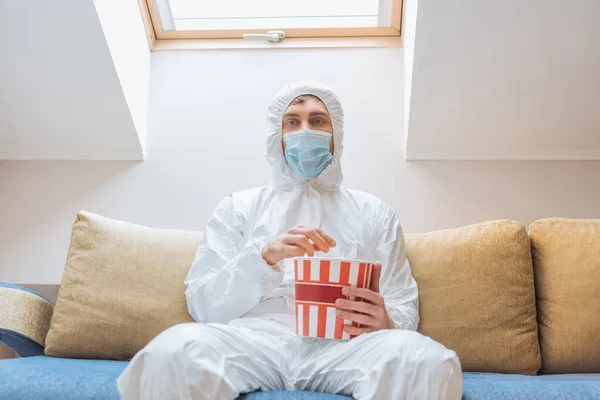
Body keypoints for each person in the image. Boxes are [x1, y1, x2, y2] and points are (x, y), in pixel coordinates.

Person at [118, 81, 462, 400]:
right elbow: (204, 305)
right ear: (277, 137)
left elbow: (403, 301)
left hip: (346, 346)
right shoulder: (238, 207)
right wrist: (262, 259)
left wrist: (386, 321)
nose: (305, 131)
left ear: (335, 135)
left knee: (424, 360)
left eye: (317, 120)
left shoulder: (374, 212)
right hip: (255, 340)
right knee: (170, 353)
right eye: (292, 123)